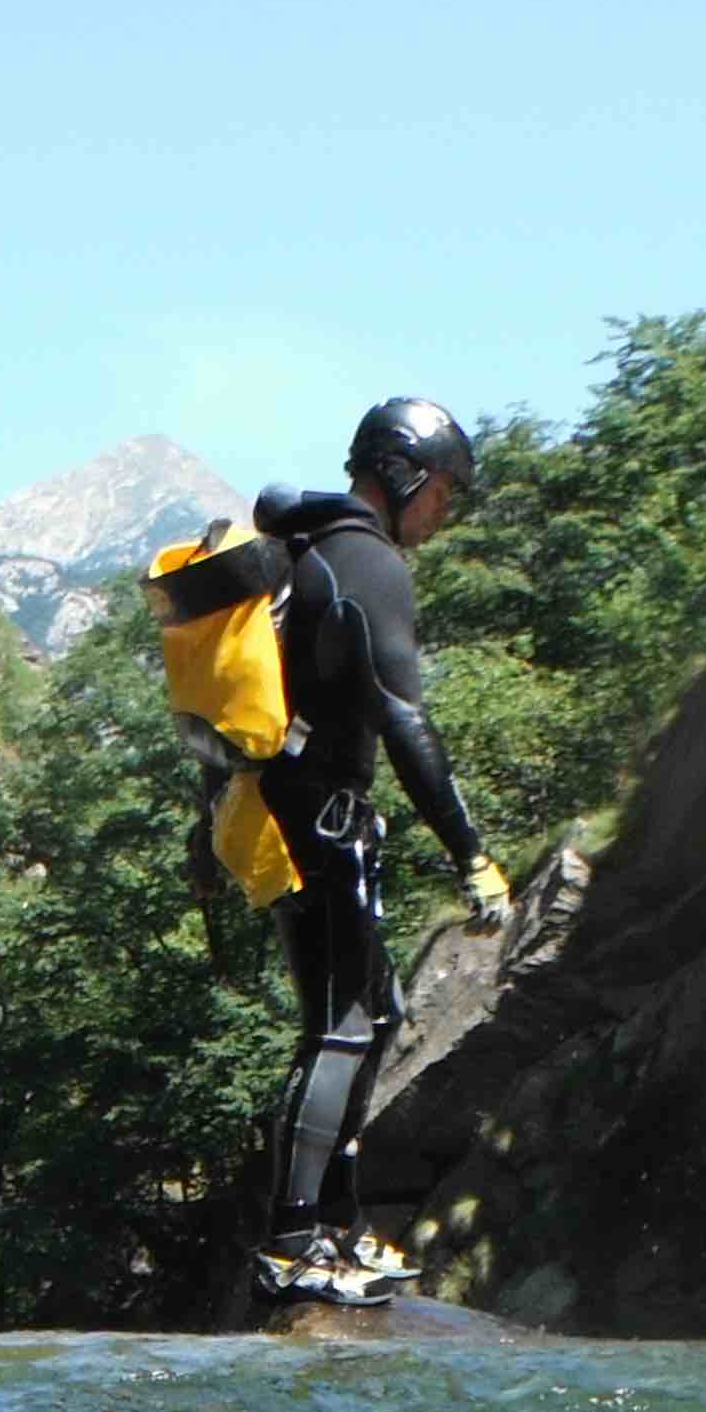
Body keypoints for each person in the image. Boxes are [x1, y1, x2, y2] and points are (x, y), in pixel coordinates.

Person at [242, 396, 513, 1308]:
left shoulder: (317, 549)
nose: (447, 510)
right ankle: (292, 1244)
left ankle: (334, 1227)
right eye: (444, 489)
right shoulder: (368, 563)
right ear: (401, 474)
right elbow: (403, 717)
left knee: (376, 1013)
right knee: (340, 1024)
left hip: (289, 814)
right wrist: (469, 851)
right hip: (315, 819)